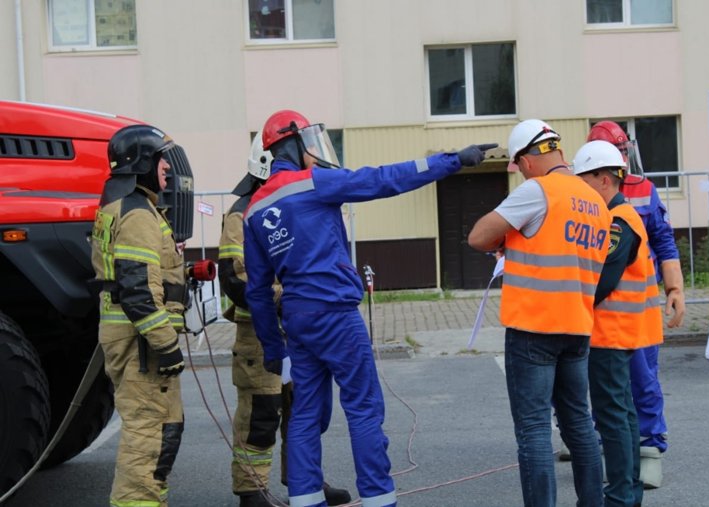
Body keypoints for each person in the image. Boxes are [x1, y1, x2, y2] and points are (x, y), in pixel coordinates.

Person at [243, 109, 495, 507]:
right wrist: (452, 160)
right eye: (308, 141)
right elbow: (383, 179)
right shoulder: (313, 183)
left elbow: (256, 290)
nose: (314, 149)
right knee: (362, 407)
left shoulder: (254, 209)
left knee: (305, 413)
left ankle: (307, 501)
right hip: (336, 314)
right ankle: (380, 499)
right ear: (292, 144)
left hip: (298, 318)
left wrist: (275, 349)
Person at [468, 119, 611, 507]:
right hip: (578, 328)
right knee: (579, 425)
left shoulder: (537, 191)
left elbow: (478, 236)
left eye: (518, 165)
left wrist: (505, 241)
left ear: (528, 159)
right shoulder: (596, 202)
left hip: (533, 327)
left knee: (533, 431)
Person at [219, 132, 351, 507]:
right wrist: (290, 296)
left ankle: (304, 482)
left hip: (295, 330)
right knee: (260, 415)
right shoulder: (242, 211)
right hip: (259, 335)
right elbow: (235, 279)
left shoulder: (291, 203)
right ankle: (251, 490)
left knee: (304, 412)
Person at [90, 124, 187, 507]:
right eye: (161, 159)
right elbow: (138, 291)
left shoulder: (128, 207)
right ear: (142, 161)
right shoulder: (136, 214)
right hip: (141, 344)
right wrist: (166, 344)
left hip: (134, 340)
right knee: (147, 438)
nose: (167, 167)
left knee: (162, 433)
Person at [587, 121, 685, 488]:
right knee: (601, 386)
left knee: (642, 381)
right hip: (600, 312)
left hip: (633, 308)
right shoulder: (585, 195)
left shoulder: (643, 191)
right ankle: (601, 444)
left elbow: (663, 239)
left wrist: (675, 288)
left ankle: (649, 450)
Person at [573, 140, 664, 507]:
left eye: (584, 180)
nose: (580, 188)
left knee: (613, 417)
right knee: (623, 414)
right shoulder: (620, 217)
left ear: (605, 179)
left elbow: (601, 280)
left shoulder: (618, 222)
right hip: (621, 331)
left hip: (610, 332)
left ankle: (620, 496)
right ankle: (629, 492)